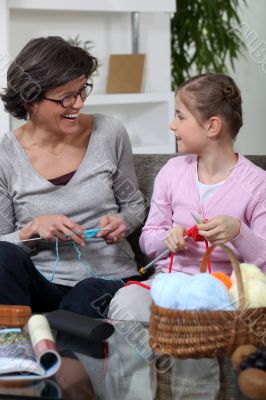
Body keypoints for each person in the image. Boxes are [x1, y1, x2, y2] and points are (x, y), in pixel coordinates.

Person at [0, 36, 145, 316]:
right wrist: (32, 230)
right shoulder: (6, 156)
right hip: (44, 283)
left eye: (82, 91)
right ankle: (13, 349)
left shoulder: (109, 132)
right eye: (66, 97)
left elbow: (135, 205)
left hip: (106, 278)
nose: (78, 104)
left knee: (85, 294)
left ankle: (58, 352)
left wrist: (123, 223)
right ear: (30, 102)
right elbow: (3, 241)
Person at [108, 72, 266, 322]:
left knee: (199, 312)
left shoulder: (257, 184)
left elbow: (263, 264)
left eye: (180, 116)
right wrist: (166, 238)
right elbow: (148, 241)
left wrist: (239, 232)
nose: (172, 125)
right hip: (168, 285)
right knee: (127, 303)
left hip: (223, 291)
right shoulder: (172, 172)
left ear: (212, 126)